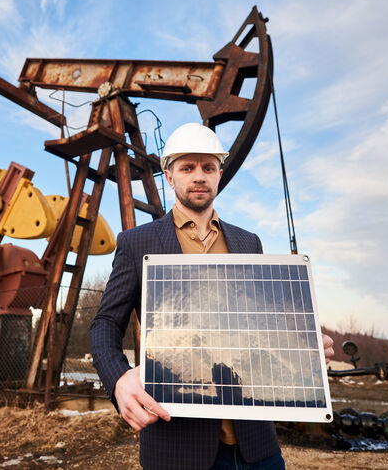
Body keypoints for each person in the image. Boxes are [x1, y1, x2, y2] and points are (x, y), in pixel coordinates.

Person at [90, 123, 335, 470]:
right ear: (169, 175)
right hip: (178, 448)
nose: (199, 176)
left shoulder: (248, 243)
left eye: (207, 168)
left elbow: (259, 326)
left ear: (220, 173)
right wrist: (118, 378)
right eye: (187, 168)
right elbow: (103, 325)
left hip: (256, 447)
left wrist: (302, 345)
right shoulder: (136, 243)